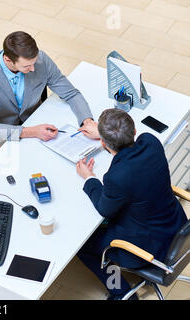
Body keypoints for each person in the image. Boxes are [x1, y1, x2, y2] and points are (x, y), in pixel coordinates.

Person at [75, 108, 188, 300]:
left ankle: (121, 291)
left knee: (84, 245)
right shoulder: (151, 142)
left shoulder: (116, 178)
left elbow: (104, 208)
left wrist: (89, 178)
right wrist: (105, 135)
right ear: (134, 131)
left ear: (103, 143)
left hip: (147, 248)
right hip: (176, 226)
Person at [0, 31, 96, 176]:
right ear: (8, 60)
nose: (33, 69)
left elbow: (71, 93)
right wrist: (32, 132)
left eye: (34, 63)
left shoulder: (41, 60)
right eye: (27, 66)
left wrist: (87, 120)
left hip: (31, 120)